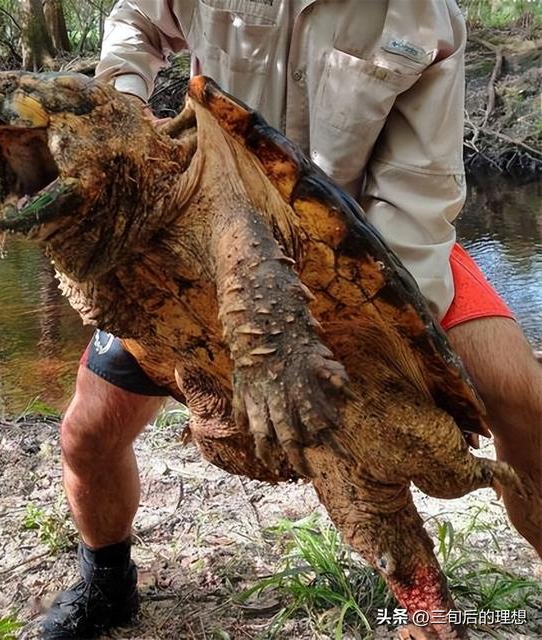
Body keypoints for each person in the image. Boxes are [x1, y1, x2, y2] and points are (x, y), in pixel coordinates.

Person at [39, 1, 542, 637]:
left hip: (362, 237)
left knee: (524, 402)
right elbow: (135, 20)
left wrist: (360, 328)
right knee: (88, 434)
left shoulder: (422, 14)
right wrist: (123, 105)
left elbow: (419, 189)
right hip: (198, 225)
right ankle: (106, 581)